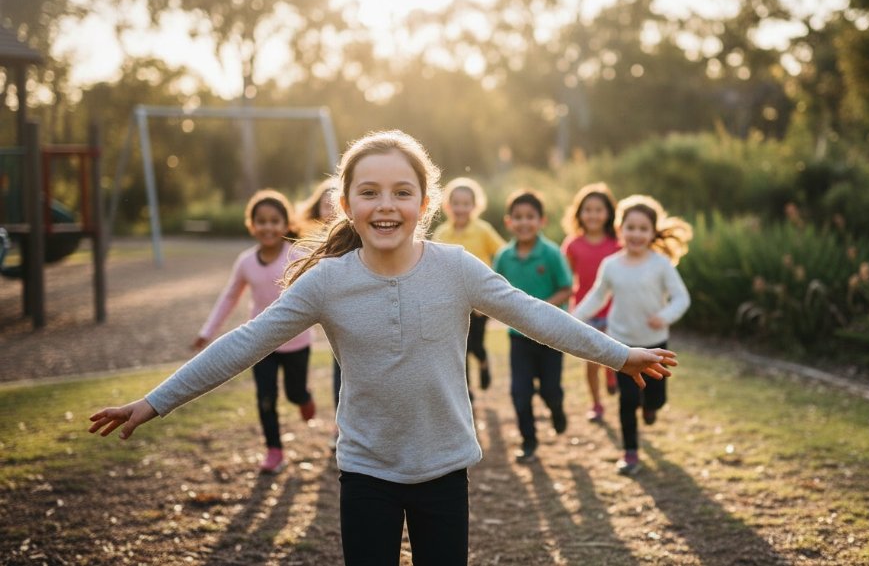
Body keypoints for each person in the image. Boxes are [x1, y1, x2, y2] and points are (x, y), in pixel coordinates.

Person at [88, 130, 676, 565]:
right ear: (346, 206)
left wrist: (620, 355)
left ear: (426, 202)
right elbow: (246, 343)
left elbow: (536, 315)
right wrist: (155, 402)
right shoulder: (326, 282)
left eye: (401, 191)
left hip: (445, 464)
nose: (385, 205)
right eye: (369, 192)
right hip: (366, 467)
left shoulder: (457, 269)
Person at [190, 189, 315, 474]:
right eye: (261, 221)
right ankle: (274, 450)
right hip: (260, 343)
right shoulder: (245, 261)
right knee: (265, 397)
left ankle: (304, 399)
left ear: (285, 225)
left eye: (274, 221)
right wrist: (207, 331)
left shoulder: (296, 254)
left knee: (294, 393)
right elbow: (229, 297)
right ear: (252, 225)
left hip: (297, 341)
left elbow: (317, 290)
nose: (268, 227)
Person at [573, 194, 692, 476]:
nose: (636, 234)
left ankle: (650, 408)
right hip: (622, 344)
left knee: (656, 398)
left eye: (643, 228)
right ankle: (630, 452)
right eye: (631, 227)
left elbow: (681, 298)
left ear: (652, 233)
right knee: (627, 400)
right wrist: (574, 317)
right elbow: (597, 296)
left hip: (655, 346)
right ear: (620, 229)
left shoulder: (661, 264)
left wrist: (663, 317)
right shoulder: (611, 265)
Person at [492, 190, 575, 463]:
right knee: (520, 392)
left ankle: (557, 409)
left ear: (542, 220)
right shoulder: (504, 257)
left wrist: (542, 309)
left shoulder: (551, 253)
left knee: (551, 388)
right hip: (519, 338)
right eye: (518, 217)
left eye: (530, 217)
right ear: (508, 222)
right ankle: (528, 441)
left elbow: (567, 288)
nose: (524, 222)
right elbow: (493, 291)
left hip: (552, 336)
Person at [432, 176, 506, 395]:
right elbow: (434, 266)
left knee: (475, 345)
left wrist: (495, 287)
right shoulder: (442, 233)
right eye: (456, 203)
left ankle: (483, 363)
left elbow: (503, 255)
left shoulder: (483, 230)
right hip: (452, 300)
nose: (461, 208)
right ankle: (467, 390)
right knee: (458, 348)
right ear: (448, 206)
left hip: (480, 301)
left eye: (466, 204)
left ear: (475, 206)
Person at [560, 182, 621, 423]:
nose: (593, 215)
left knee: (615, 356)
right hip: (586, 312)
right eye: (588, 210)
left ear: (608, 213)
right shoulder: (572, 245)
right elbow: (568, 279)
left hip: (615, 311)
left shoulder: (617, 244)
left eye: (598, 210)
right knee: (592, 361)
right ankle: (596, 403)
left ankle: (611, 375)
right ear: (579, 213)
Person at [296, 178, 344, 448]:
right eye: (326, 205)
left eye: (334, 205)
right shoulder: (311, 244)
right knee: (341, 370)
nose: (330, 211)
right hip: (335, 317)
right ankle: (341, 427)